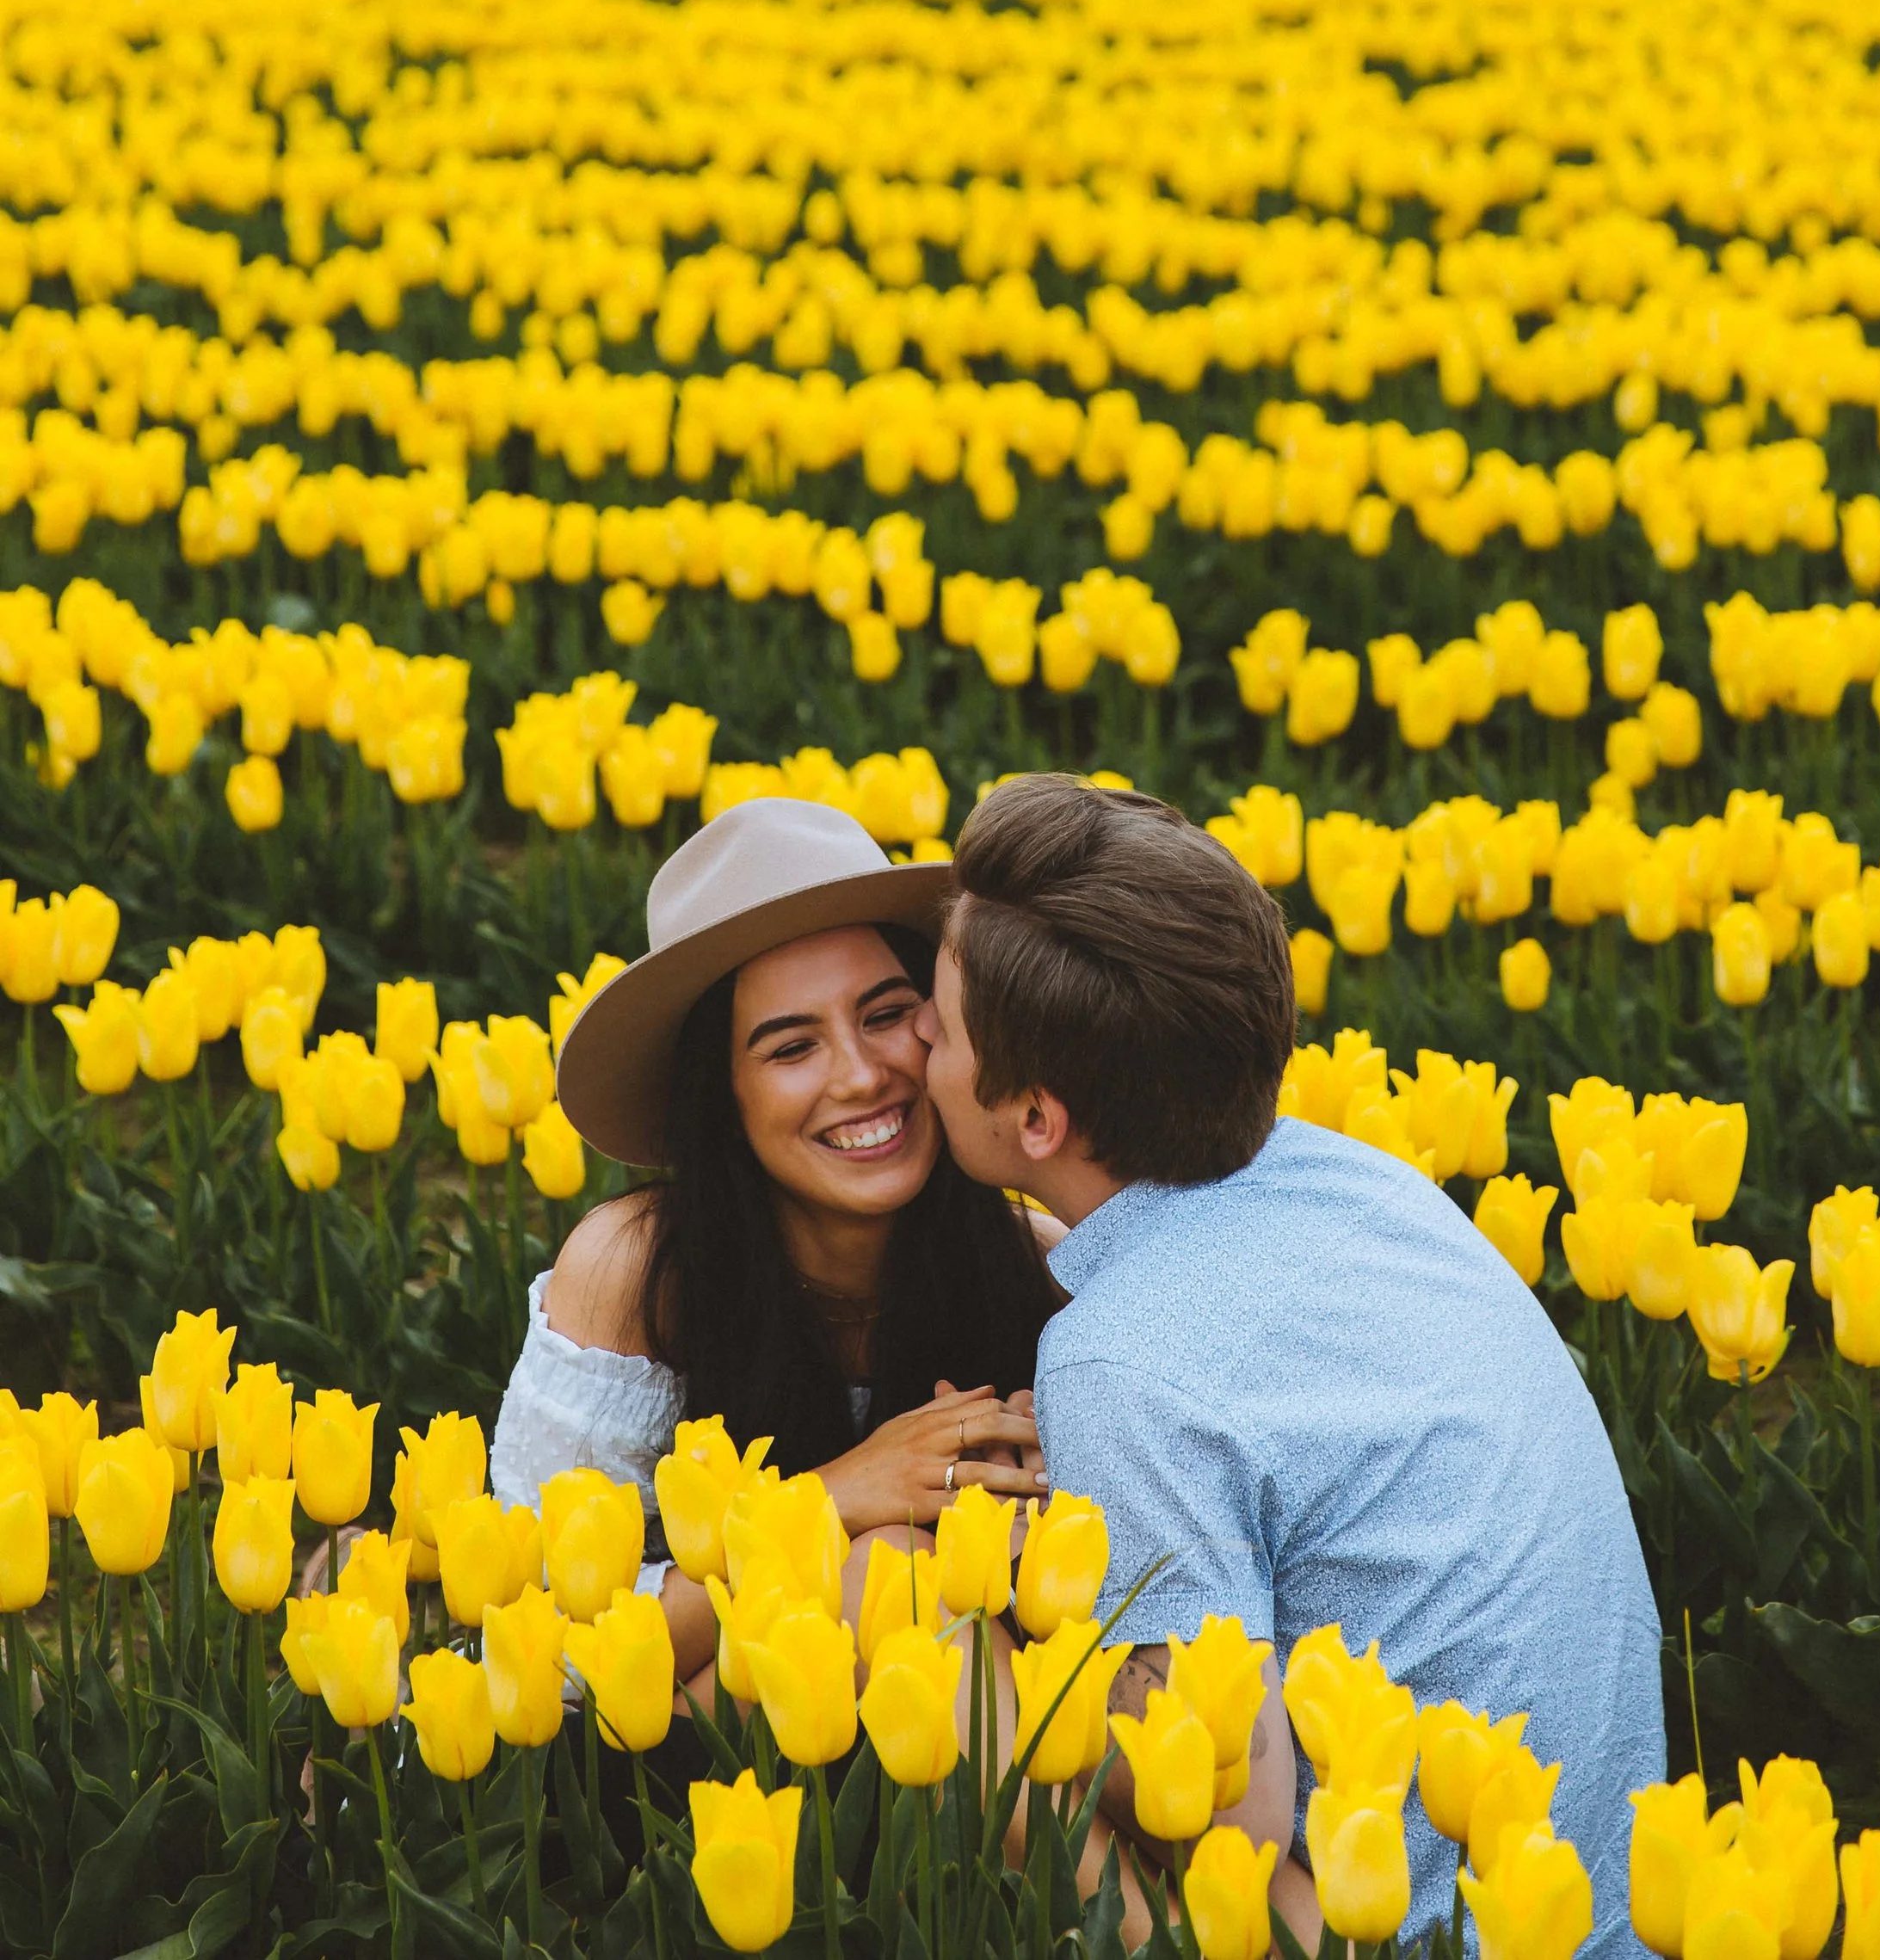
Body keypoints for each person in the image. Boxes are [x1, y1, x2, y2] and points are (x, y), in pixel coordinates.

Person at [915, 772, 1665, 1956]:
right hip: (1606, 1911)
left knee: (904, 1601)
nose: (915, 1037)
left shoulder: (1122, 1362)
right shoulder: (1352, 1179)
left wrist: (1015, 1596)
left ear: (1039, 1119)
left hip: (1410, 1931)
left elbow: (1233, 1813)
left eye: (941, 1026)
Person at [524, 796, 1059, 1696]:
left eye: (886, 1014)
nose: (860, 1075)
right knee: (886, 1569)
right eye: (790, 1048)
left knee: (898, 1573)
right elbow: (558, 1649)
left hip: (948, 1741)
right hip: (685, 1754)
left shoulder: (1034, 1264)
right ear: (720, 1096)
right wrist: (835, 1498)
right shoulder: (636, 1271)